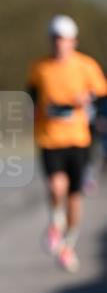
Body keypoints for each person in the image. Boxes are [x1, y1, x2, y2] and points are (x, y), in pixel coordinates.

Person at [27, 14, 107, 272]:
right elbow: (31, 96)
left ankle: (68, 245)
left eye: (65, 40)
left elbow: (101, 92)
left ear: (74, 42)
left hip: (78, 140)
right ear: (51, 41)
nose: (60, 45)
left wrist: (89, 97)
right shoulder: (40, 67)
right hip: (50, 139)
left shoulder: (86, 66)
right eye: (56, 40)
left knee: (74, 197)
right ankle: (55, 225)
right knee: (55, 187)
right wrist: (34, 109)